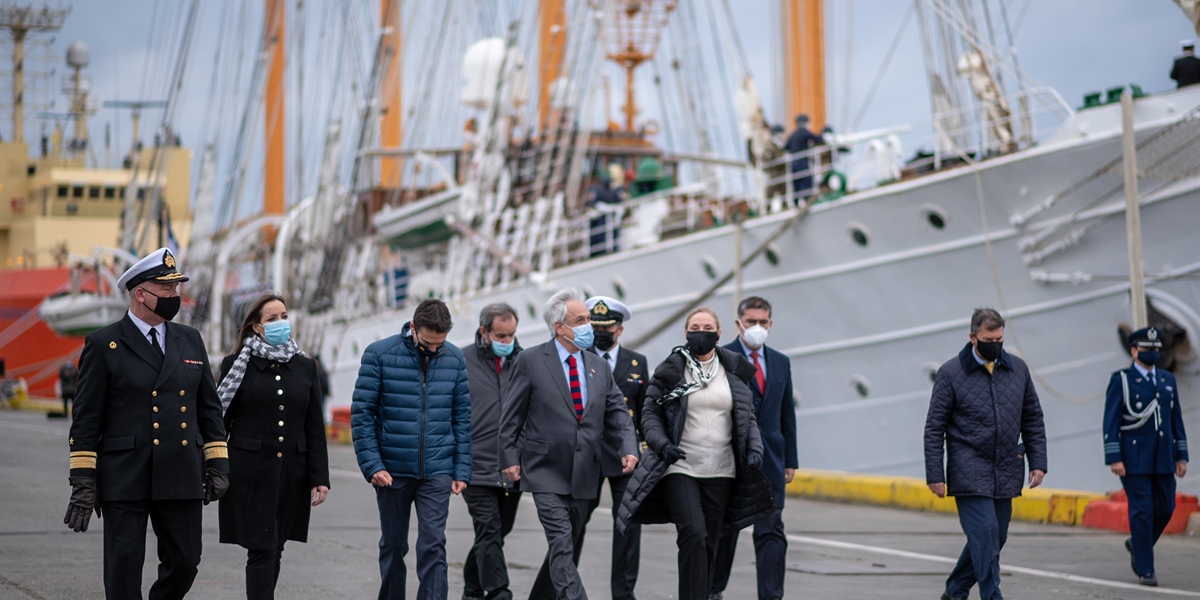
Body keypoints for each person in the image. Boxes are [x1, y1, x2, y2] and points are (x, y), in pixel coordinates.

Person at [64, 247, 230, 600]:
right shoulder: (104, 344)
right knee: (123, 571)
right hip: (126, 475)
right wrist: (83, 481)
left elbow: (209, 408)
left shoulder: (190, 339)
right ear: (141, 294)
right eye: (166, 289)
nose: (175, 296)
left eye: (176, 288)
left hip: (181, 471)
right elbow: (87, 419)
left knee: (186, 562)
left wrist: (218, 463)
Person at [616, 307, 775, 600]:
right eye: (695, 328)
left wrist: (755, 449)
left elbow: (747, 417)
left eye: (707, 328)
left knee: (712, 542)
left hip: (722, 470)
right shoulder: (671, 370)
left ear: (719, 333)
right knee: (693, 533)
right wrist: (662, 445)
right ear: (686, 333)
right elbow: (650, 413)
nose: (701, 333)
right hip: (681, 467)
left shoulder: (734, 370)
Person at [499, 288, 638, 600]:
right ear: (560, 327)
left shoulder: (598, 366)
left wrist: (629, 447)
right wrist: (508, 457)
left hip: (585, 470)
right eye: (582, 320)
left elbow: (617, 411)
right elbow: (512, 415)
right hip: (545, 469)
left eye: (589, 319)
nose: (590, 326)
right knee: (561, 543)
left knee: (566, 546)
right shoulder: (531, 360)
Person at [352, 299, 472, 600]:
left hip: (438, 470)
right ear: (413, 327)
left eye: (440, 344)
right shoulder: (379, 354)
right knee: (394, 546)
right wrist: (373, 465)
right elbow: (362, 415)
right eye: (428, 343)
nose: (434, 349)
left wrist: (461, 469)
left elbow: (462, 417)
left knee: (433, 544)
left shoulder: (455, 358)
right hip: (391, 470)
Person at [924, 308, 1048, 600]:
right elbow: (934, 428)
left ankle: (955, 591)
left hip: (1006, 467)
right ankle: (992, 596)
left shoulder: (1018, 369)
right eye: (989, 340)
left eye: (999, 339)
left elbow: (1032, 418)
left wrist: (1038, 462)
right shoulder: (950, 373)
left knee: (995, 537)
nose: (995, 345)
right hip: (968, 467)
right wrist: (935, 475)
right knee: (985, 534)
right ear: (973, 337)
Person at [217, 294, 331, 599]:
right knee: (261, 548)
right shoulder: (236, 364)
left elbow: (314, 426)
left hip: (292, 473)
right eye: (272, 319)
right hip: (250, 473)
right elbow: (220, 421)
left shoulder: (305, 366)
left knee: (276, 546)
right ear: (256, 326)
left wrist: (320, 477)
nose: (281, 322)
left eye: (284, 316)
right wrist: (213, 466)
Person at [710, 297, 797, 600]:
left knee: (771, 530)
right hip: (729, 459)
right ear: (739, 323)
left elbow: (786, 414)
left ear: (770, 324)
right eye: (751, 322)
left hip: (770, 461)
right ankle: (713, 590)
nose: (757, 327)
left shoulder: (781, 362)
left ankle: (771, 595)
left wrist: (790, 460)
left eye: (762, 322)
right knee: (725, 530)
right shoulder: (721, 357)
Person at [1103, 326, 1188, 587]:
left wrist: (1181, 456)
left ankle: (1137, 544)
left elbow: (1176, 420)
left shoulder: (1166, 379)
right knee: (1142, 511)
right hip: (1134, 458)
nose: (1152, 352)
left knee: (1166, 508)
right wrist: (1114, 457)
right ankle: (1146, 569)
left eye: (1156, 349)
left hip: (1164, 457)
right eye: (1147, 348)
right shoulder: (1122, 380)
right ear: (1134, 351)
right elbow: (1111, 421)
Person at [462, 303, 524, 600]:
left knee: (498, 532)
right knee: (488, 528)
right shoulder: (461, 361)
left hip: (513, 466)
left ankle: (472, 589)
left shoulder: (525, 361)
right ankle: (500, 592)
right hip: (475, 465)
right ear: (484, 331)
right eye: (501, 335)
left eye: (511, 334)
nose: (507, 341)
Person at [783, 114, 825, 203]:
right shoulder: (804, 132)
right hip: (802, 163)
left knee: (796, 184)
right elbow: (817, 138)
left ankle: (796, 202)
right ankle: (808, 201)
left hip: (794, 163)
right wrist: (825, 137)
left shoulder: (793, 135)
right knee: (807, 182)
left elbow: (786, 148)